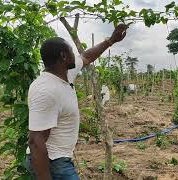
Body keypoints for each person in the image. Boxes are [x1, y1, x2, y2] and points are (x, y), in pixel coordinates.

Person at [26, 24, 128, 180]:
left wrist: (111, 40)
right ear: (64, 56)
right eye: (71, 51)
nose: (76, 54)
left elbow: (87, 57)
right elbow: (35, 140)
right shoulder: (45, 90)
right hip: (52, 162)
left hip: (60, 159)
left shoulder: (65, 74)